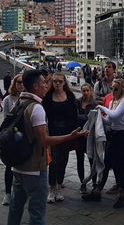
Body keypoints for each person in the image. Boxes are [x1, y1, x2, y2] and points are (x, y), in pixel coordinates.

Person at [7, 70, 88, 225]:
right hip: (34, 167)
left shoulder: (18, 102)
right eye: (44, 82)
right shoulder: (36, 107)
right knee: (37, 213)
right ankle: (54, 187)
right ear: (36, 86)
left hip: (18, 166)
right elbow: (43, 140)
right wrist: (69, 137)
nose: (47, 85)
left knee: (16, 207)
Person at [82, 78, 124, 208]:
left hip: (123, 135)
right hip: (114, 135)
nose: (113, 91)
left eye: (116, 89)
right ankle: (98, 191)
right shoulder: (112, 102)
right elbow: (110, 121)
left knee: (121, 165)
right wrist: (98, 117)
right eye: (112, 89)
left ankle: (123, 194)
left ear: (122, 89)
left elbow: (114, 115)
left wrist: (102, 107)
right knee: (107, 162)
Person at [42, 72, 78, 203]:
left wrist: (72, 133)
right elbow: (43, 116)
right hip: (52, 132)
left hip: (66, 133)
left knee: (63, 160)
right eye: (55, 81)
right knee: (53, 161)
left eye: (60, 81)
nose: (57, 84)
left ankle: (59, 186)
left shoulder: (69, 96)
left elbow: (74, 115)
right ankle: (52, 187)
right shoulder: (47, 97)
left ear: (64, 83)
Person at [0, 74, 25, 206]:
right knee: (9, 166)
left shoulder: (28, 99)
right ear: (14, 84)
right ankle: (7, 193)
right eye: (18, 82)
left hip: (24, 137)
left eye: (23, 82)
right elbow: (6, 119)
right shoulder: (8, 99)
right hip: (12, 136)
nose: (21, 85)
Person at [76, 83, 99, 193]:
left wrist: (82, 118)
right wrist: (86, 118)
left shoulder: (94, 104)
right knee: (79, 159)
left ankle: (94, 181)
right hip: (79, 135)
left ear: (91, 91)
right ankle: (82, 182)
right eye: (83, 91)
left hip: (90, 135)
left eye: (87, 90)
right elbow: (74, 117)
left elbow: (94, 119)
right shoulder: (77, 102)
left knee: (92, 160)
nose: (85, 93)